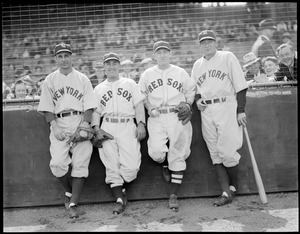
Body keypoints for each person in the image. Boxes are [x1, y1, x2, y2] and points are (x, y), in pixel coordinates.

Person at [37, 43, 97, 219]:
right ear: (56, 58)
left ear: (72, 57)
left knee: (80, 163)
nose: (63, 59)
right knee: (57, 164)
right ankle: (70, 192)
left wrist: (85, 125)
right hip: (60, 121)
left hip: (80, 120)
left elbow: (89, 105)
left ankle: (73, 203)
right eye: (60, 56)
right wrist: (54, 126)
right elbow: (47, 107)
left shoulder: (82, 78)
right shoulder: (50, 79)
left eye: (66, 55)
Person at [191, 30, 248, 207]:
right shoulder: (197, 65)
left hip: (227, 105)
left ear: (216, 42)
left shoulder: (227, 57)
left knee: (228, 150)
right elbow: (196, 91)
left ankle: (233, 187)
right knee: (214, 151)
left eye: (210, 41)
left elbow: (240, 85)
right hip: (207, 109)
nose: (207, 44)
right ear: (199, 45)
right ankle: (226, 190)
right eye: (203, 42)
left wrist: (241, 110)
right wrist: (197, 100)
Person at [138, 41, 196, 211]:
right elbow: (142, 95)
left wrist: (187, 104)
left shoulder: (180, 72)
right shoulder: (148, 74)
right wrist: (149, 108)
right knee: (156, 152)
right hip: (157, 116)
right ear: (154, 55)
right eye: (159, 52)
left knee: (178, 154)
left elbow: (190, 91)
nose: (162, 55)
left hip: (177, 115)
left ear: (170, 54)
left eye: (165, 52)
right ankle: (164, 163)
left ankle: (173, 195)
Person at [91, 52, 146, 215]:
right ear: (104, 68)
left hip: (128, 125)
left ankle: (119, 186)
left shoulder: (129, 83)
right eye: (108, 63)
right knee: (111, 165)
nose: (112, 66)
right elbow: (96, 112)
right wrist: (96, 128)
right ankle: (119, 198)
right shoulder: (99, 88)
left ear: (119, 66)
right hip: (107, 127)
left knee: (131, 169)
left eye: (115, 63)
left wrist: (141, 124)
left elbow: (138, 105)